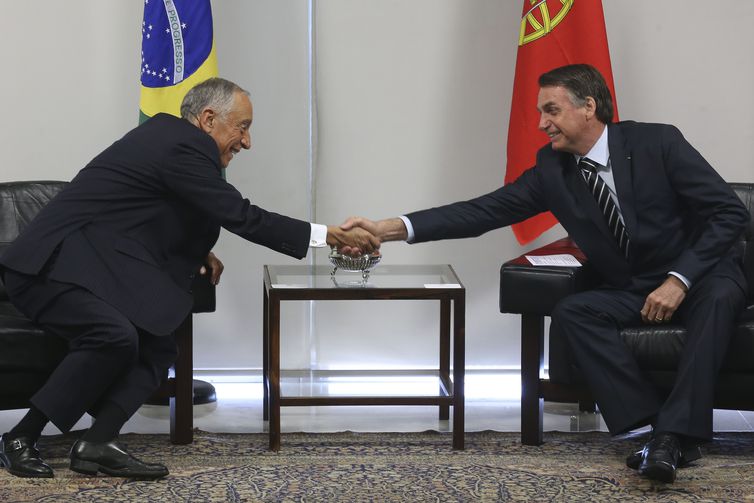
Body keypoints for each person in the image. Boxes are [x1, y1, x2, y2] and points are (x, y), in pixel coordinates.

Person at [341, 64, 749, 483]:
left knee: (717, 300)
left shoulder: (657, 142)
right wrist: (388, 229)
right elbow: (483, 211)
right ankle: (653, 429)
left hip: (702, 276)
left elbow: (728, 211)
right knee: (575, 311)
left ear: (588, 106)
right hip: (636, 286)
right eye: (541, 112)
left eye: (551, 110)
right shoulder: (553, 170)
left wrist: (679, 279)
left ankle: (672, 436)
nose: (541, 123)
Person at [0, 77, 378, 479]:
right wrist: (329, 235)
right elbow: (240, 215)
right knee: (112, 335)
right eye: (243, 127)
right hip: (47, 267)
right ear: (209, 118)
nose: (246, 142)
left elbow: (143, 209)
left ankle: (97, 443)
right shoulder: (183, 144)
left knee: (159, 345)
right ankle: (19, 438)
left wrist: (198, 251)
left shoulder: (170, 141)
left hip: (86, 265)